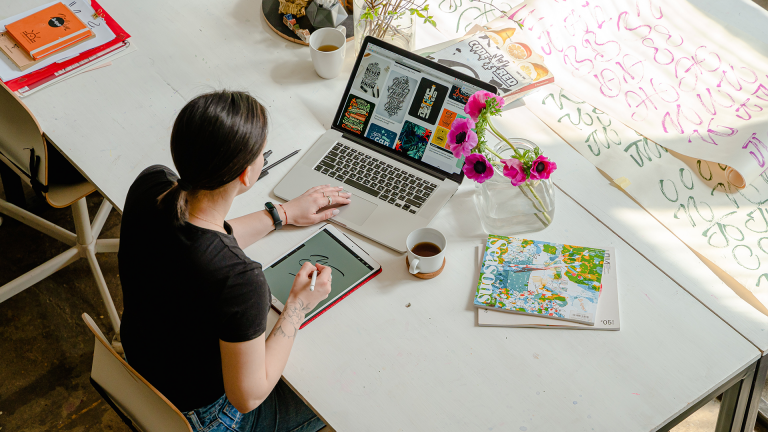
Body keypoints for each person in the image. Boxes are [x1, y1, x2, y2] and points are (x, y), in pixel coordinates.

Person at [118, 90, 351, 432]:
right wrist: (298, 305)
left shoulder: (152, 185)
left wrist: (281, 214)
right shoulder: (240, 281)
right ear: (246, 174)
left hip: (140, 374)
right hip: (203, 417)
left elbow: (200, 239)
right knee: (334, 397)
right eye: (261, 154)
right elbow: (248, 396)